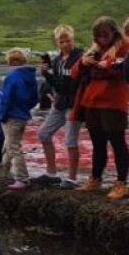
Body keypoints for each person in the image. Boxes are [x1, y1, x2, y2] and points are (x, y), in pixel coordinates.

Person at [72, 17, 129, 198]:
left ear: (114, 32)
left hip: (113, 102)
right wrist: (82, 63)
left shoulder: (124, 47)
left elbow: (124, 70)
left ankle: (121, 183)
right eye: (98, 37)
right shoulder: (93, 51)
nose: (102, 40)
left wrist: (108, 65)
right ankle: (95, 179)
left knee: (117, 141)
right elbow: (74, 73)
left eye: (105, 36)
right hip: (92, 102)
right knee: (97, 142)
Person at [38, 25, 84, 187]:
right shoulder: (57, 60)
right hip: (59, 103)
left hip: (74, 103)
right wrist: (46, 75)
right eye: (61, 41)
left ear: (74, 39)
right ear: (57, 42)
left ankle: (72, 178)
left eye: (68, 41)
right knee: (44, 133)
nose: (65, 44)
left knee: (70, 140)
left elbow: (74, 83)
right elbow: (58, 86)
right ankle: (52, 173)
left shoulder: (81, 57)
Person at [0, 49, 39, 189]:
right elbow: (35, 98)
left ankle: (22, 178)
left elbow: (6, 99)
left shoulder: (12, 77)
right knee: (9, 145)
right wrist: (25, 108)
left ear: (11, 62)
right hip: (23, 115)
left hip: (12, 115)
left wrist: (2, 116)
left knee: (13, 147)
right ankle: (2, 173)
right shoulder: (31, 77)